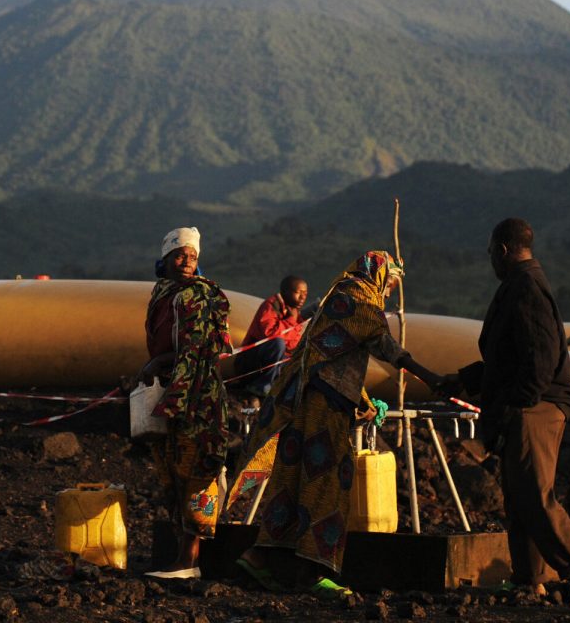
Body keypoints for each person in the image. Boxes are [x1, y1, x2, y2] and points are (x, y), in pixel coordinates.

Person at [233, 251, 447, 601]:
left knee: (292, 477)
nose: (390, 291)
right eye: (390, 283)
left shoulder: (335, 297)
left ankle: (259, 557)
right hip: (323, 408)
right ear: (379, 276)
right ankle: (313, 571)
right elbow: (388, 348)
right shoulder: (360, 300)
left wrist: (362, 402)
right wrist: (433, 378)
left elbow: (330, 357)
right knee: (327, 480)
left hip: (299, 402)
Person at [449, 218, 570, 595]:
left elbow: (540, 358)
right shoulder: (521, 285)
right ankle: (530, 577)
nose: (490, 260)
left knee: (535, 495)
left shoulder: (525, 288)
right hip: (531, 404)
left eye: (491, 252)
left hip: (536, 407)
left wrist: (517, 405)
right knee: (519, 500)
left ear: (503, 250)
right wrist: (465, 380)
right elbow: (511, 359)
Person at [138, 226, 233, 580]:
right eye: (180, 255)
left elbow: (197, 348)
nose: (187, 262)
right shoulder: (163, 293)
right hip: (170, 389)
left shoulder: (200, 296)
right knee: (172, 472)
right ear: (165, 258)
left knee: (196, 470)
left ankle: (189, 560)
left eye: (192, 256)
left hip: (197, 393)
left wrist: (158, 364)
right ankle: (181, 556)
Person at [230, 275, 309, 397]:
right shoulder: (271, 306)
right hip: (250, 363)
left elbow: (293, 342)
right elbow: (272, 335)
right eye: (298, 292)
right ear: (285, 292)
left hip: (272, 365)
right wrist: (292, 321)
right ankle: (261, 386)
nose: (303, 297)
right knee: (277, 343)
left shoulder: (293, 312)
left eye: (305, 293)